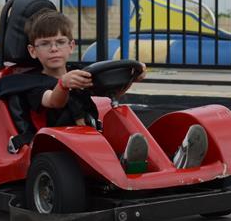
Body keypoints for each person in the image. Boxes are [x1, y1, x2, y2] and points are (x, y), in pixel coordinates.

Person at [23, 9, 208, 169]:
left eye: (60, 42)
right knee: (103, 141)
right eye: (45, 44)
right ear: (33, 51)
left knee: (120, 114)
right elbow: (53, 101)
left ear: (71, 46)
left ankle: (172, 160)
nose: (53, 49)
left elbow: (111, 92)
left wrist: (131, 78)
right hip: (60, 147)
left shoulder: (80, 73)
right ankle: (128, 162)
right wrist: (63, 84)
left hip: (91, 135)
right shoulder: (31, 83)